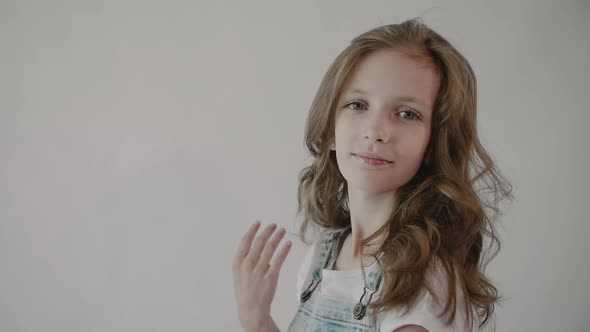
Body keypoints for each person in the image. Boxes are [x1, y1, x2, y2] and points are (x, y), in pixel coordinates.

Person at [232, 17, 513, 332]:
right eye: (357, 104)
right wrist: (256, 318)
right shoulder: (322, 257)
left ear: (435, 143)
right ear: (331, 131)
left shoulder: (423, 284)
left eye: (407, 114)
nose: (376, 130)